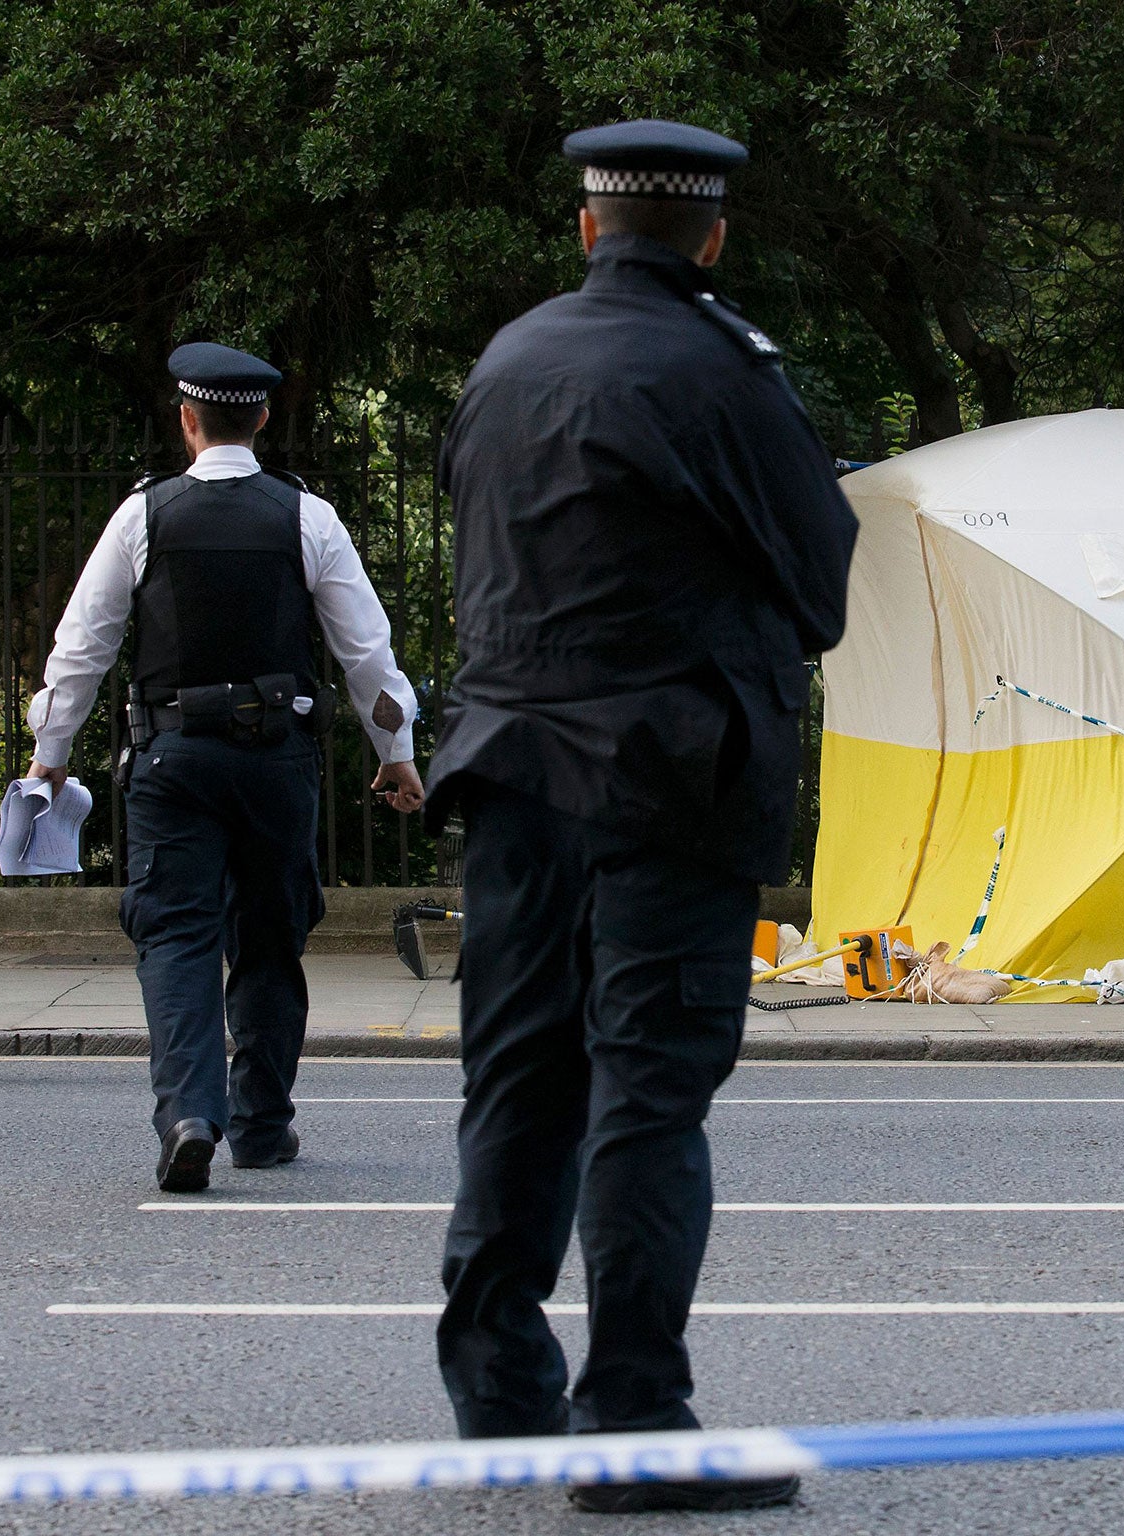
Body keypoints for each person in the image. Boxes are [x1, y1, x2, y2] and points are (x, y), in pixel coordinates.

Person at [426, 121, 858, 1512]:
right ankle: (635, 1427)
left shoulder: (510, 360)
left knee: (519, 1083)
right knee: (648, 1100)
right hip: (665, 785)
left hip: (512, 778)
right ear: (712, 237)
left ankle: (499, 1401)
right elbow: (821, 586)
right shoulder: (722, 373)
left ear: (586, 227)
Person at [26, 343, 424, 1194]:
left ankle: (188, 1115)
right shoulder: (305, 517)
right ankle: (264, 1125)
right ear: (265, 418)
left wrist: (51, 752)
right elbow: (368, 655)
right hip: (278, 760)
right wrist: (397, 756)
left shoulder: (144, 516)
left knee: (175, 936)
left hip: (170, 758)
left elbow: (81, 649)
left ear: (188, 420)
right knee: (273, 939)